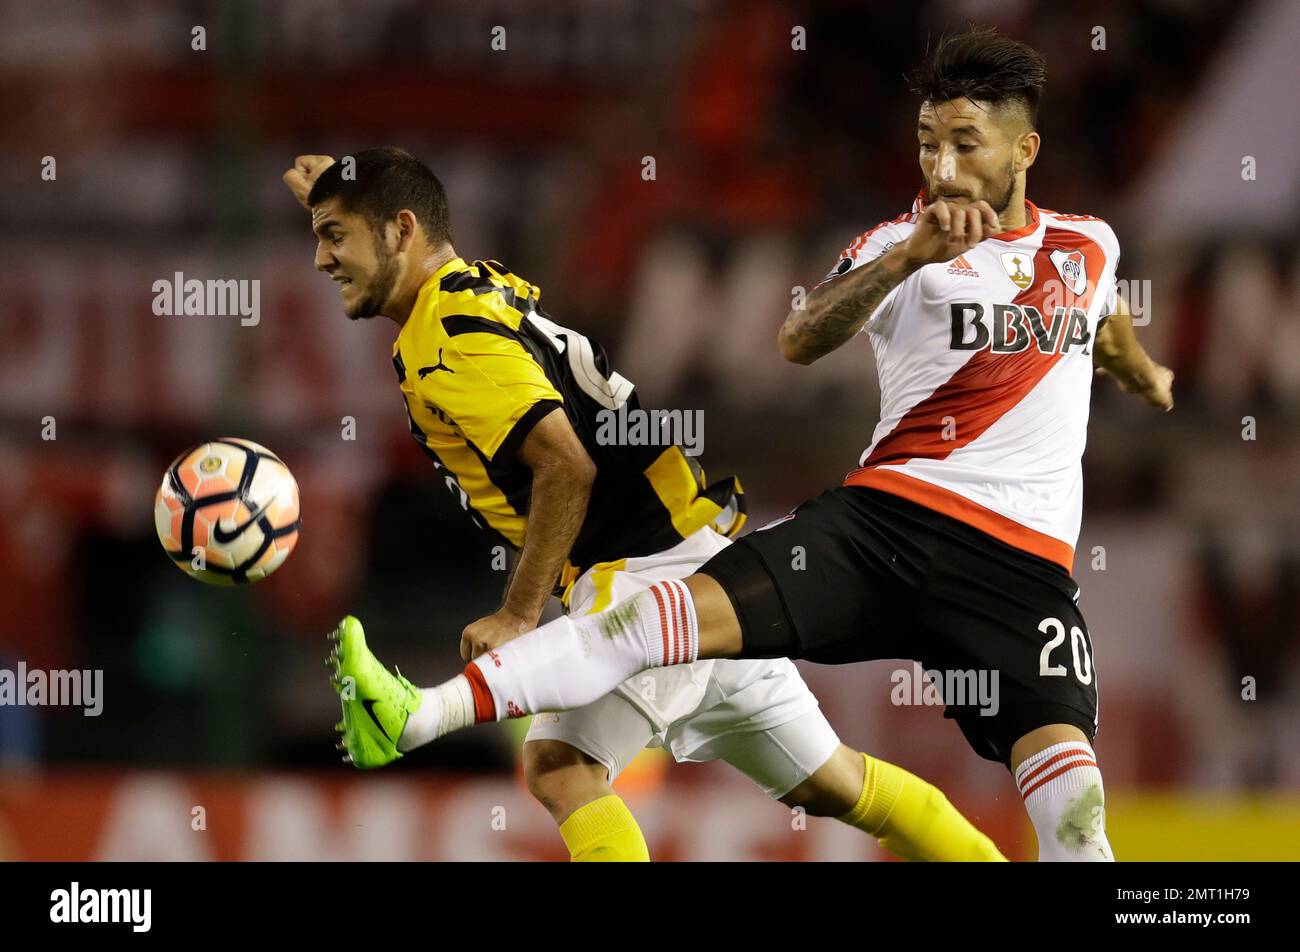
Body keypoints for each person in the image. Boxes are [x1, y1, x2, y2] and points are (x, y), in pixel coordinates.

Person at [284, 148, 1004, 861]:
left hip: (646, 574)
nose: (322, 259)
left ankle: (415, 713)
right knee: (841, 785)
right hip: (697, 557)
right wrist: (348, 197)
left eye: (335, 236)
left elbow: (566, 464)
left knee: (562, 770)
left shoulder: (448, 336)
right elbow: (403, 232)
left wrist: (519, 612)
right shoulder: (466, 288)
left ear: (401, 230)